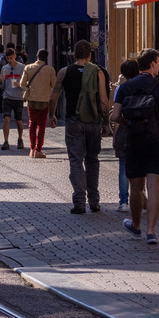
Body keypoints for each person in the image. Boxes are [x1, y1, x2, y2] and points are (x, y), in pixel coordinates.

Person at [111, 48, 159, 245]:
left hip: (134, 140)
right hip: (157, 141)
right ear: (154, 63)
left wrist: (129, 123)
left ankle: (136, 225)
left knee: (136, 187)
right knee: (154, 187)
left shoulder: (125, 87)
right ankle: (151, 232)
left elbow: (114, 116)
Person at [49, 39, 109, 214]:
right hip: (93, 121)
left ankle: (79, 202)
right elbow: (104, 101)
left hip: (74, 121)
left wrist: (52, 115)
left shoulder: (64, 72)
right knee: (92, 160)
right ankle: (94, 201)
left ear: (74, 54)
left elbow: (54, 96)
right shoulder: (98, 72)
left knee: (76, 161)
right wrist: (106, 122)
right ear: (90, 55)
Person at [112, 59, 140, 213]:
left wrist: (115, 136)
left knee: (123, 166)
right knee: (142, 167)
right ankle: (141, 200)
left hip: (126, 129)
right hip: (145, 130)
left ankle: (123, 201)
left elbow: (116, 116)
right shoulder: (148, 85)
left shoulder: (121, 89)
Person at [20, 49, 56, 158]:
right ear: (47, 57)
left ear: (36, 56)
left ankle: (32, 148)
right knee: (41, 125)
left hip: (32, 100)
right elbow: (54, 85)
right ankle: (38, 149)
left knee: (32, 124)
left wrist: (30, 84)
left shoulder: (28, 68)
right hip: (44, 101)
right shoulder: (50, 70)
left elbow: (22, 84)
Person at [0, 49, 26, 150]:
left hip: (18, 97)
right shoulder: (4, 68)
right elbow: (1, 85)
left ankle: (20, 138)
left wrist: (21, 85)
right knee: (6, 119)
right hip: (7, 96)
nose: (9, 60)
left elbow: (26, 82)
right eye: (7, 58)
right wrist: (1, 81)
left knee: (18, 120)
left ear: (15, 56)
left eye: (11, 58)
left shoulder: (22, 67)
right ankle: (6, 141)